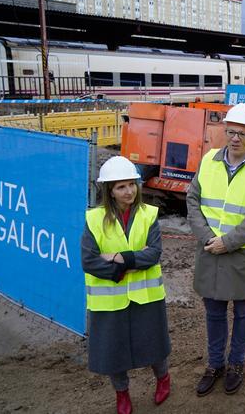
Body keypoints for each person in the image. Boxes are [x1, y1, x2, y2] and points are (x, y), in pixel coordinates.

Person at [187, 102, 245, 397]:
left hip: (243, 253)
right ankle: (215, 364)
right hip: (210, 248)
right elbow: (193, 202)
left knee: (243, 310)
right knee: (213, 310)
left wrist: (229, 241)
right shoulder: (209, 159)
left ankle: (237, 363)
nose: (235, 138)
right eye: (230, 131)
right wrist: (207, 238)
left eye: (241, 133)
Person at [81, 156, 171, 414]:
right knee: (114, 351)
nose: (129, 191)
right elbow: (89, 261)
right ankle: (122, 394)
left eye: (132, 184)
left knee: (154, 345)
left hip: (146, 297)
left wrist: (118, 258)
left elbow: (153, 254)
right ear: (109, 190)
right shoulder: (94, 219)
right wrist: (127, 268)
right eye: (121, 187)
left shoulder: (148, 214)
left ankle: (163, 378)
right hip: (109, 300)